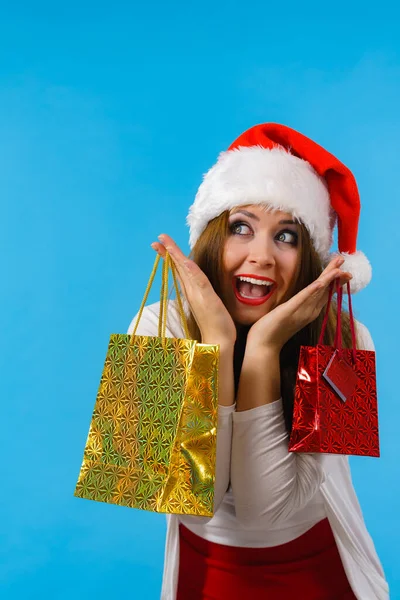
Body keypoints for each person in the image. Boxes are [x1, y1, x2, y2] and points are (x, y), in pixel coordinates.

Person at [128, 124, 389, 600]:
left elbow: (264, 512)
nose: (262, 256)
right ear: (211, 235)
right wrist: (218, 347)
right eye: (240, 227)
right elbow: (190, 504)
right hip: (204, 574)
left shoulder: (347, 340)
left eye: (287, 236)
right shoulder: (155, 326)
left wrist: (265, 349)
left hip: (321, 572)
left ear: (309, 255)